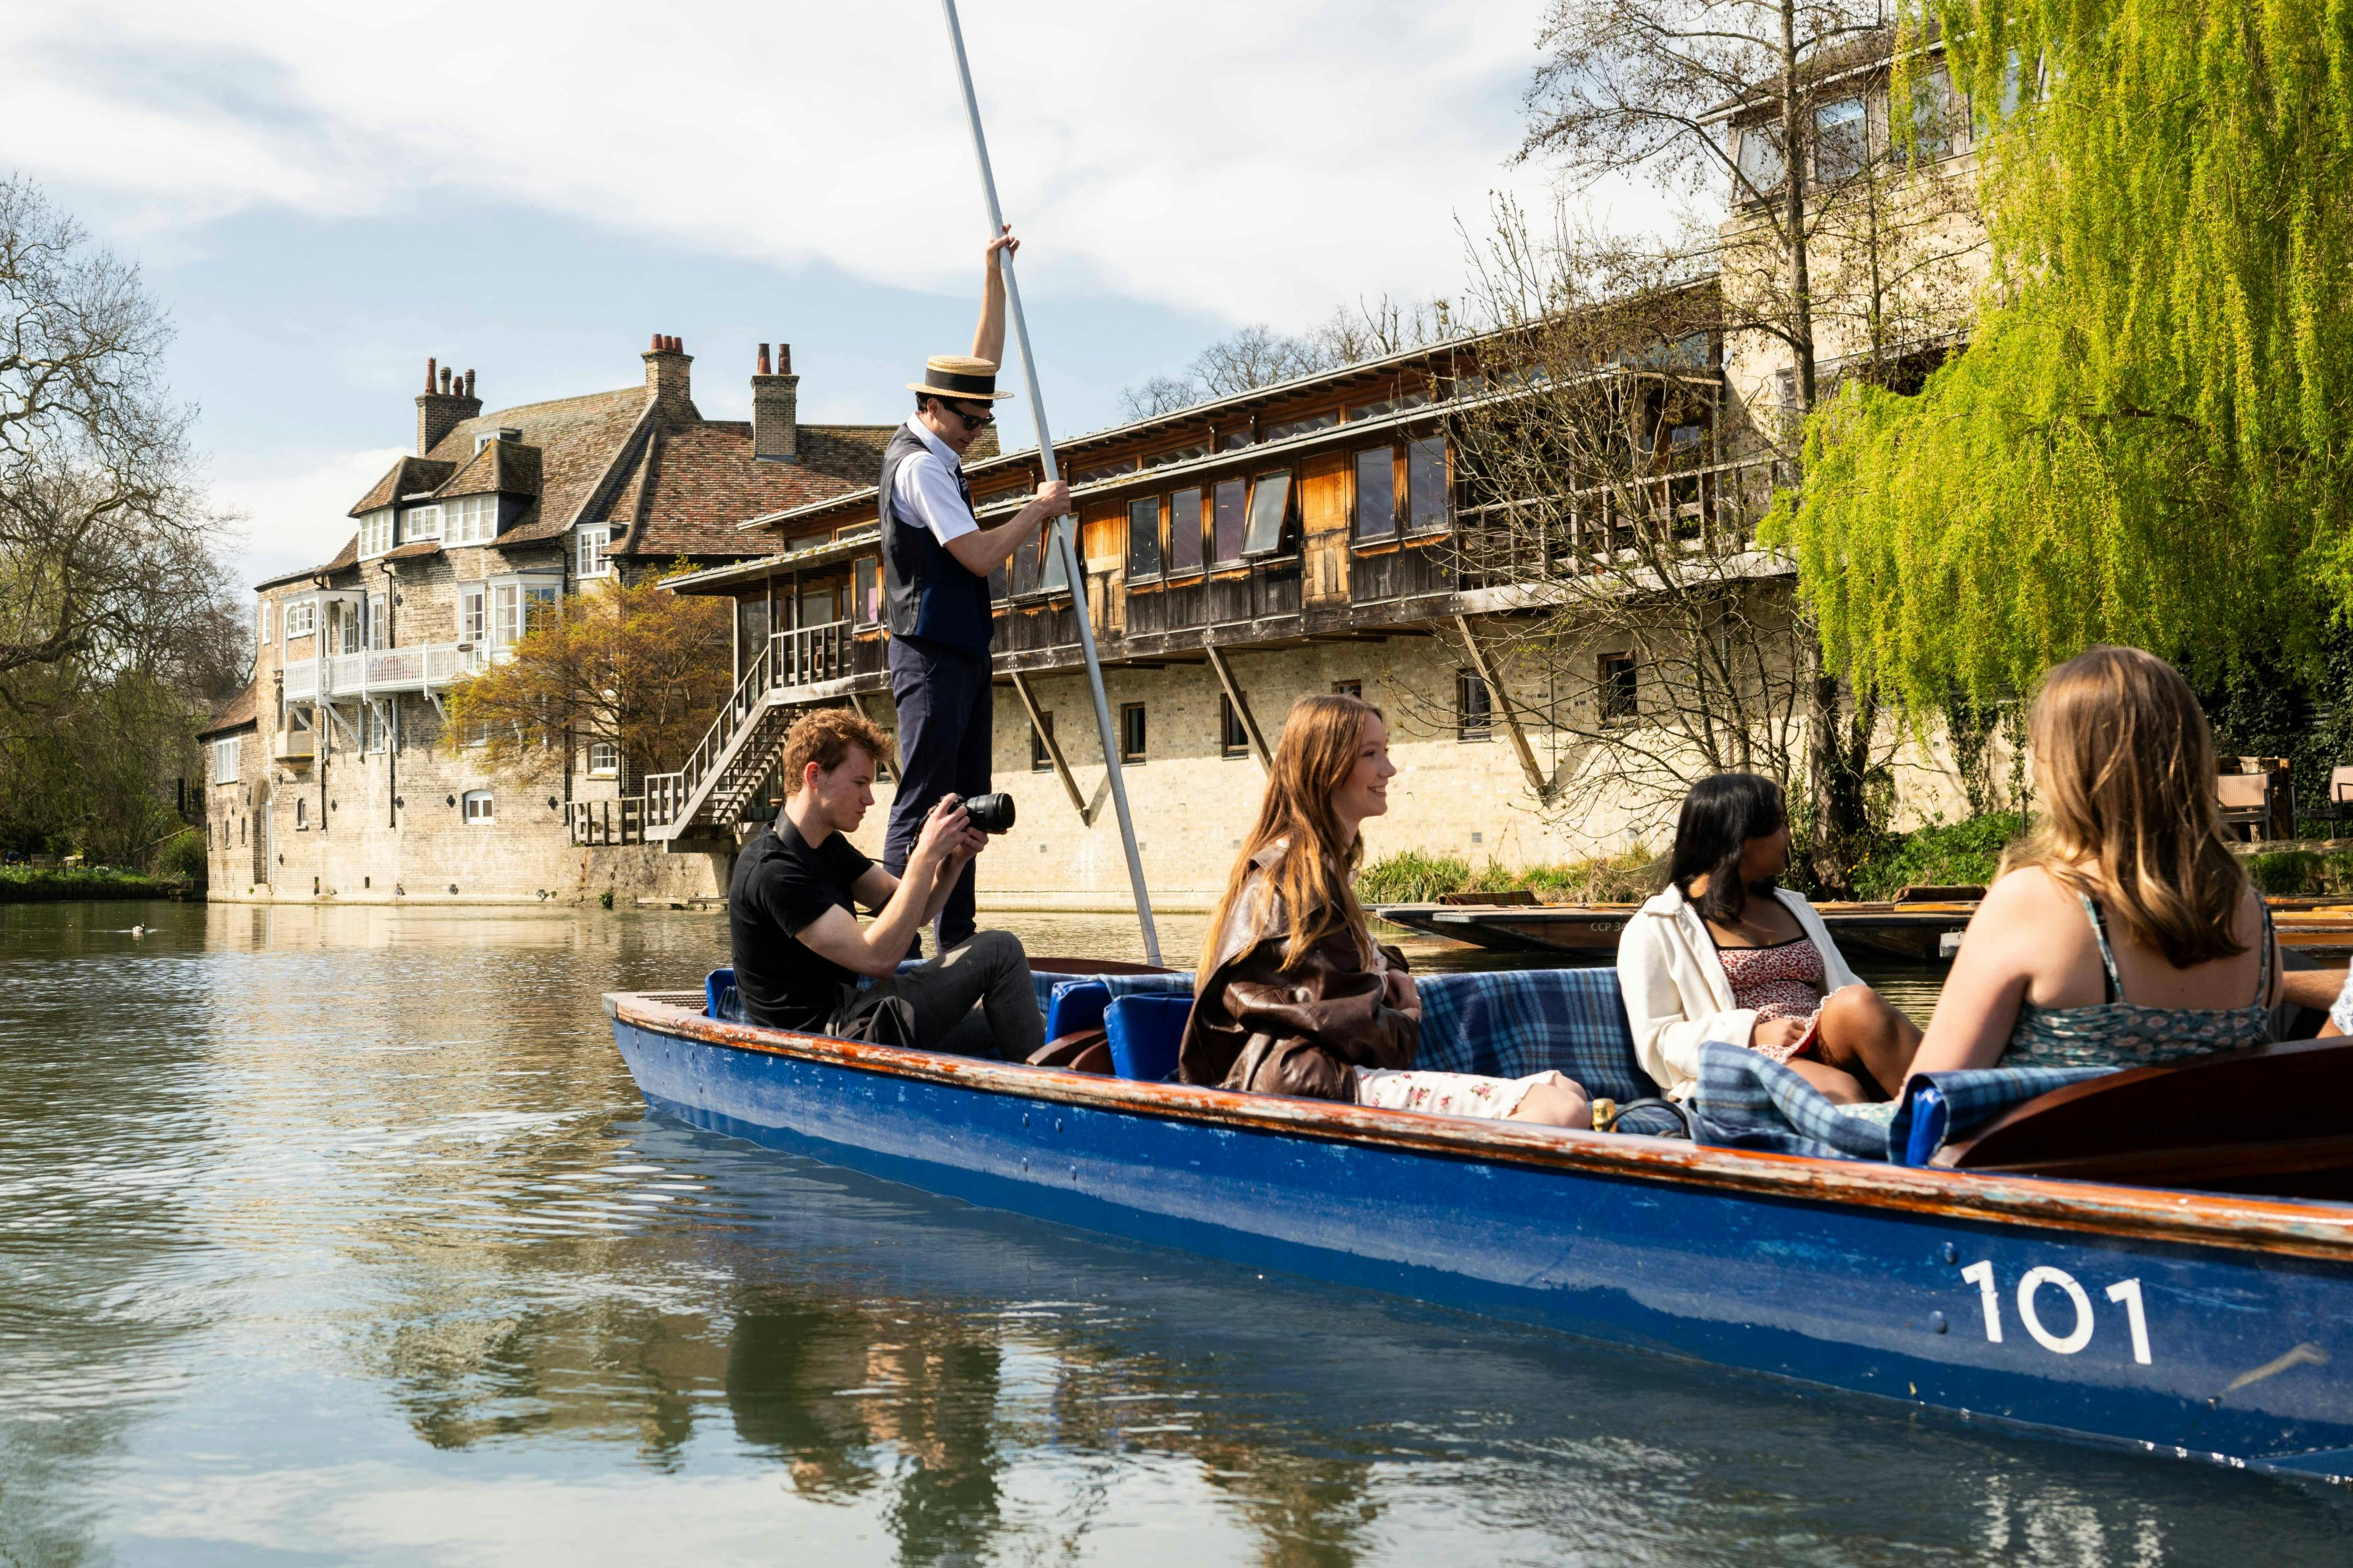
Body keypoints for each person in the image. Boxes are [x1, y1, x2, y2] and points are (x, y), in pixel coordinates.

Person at [1179, 693, 1592, 1126]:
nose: (1389, 770)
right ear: (1325, 769)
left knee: (1567, 1089)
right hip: (1312, 1084)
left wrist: (1389, 969)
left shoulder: (1313, 871)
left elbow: (1325, 981)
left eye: (1386, 752)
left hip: (1320, 1076)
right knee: (1560, 1109)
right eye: (1370, 755)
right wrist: (1407, 1018)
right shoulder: (1297, 883)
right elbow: (1348, 1022)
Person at [1907, 646, 2279, 1078]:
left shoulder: (2034, 900)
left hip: (2051, 1147)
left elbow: (1929, 1103)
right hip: (2202, 1145)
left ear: (2065, 765)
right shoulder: (2250, 912)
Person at [880, 225, 1073, 955]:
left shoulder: (941, 434)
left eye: (985, 421)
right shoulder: (920, 469)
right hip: (927, 651)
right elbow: (982, 556)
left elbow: (982, 359)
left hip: (962, 648)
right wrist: (1039, 507)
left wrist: (991, 275)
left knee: (968, 802)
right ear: (932, 409)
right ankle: (893, 945)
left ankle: (954, 945)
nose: (977, 433)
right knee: (927, 796)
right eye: (969, 422)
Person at [727, 708, 1044, 1060]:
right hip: (824, 1044)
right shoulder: (772, 870)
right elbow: (877, 959)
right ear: (814, 776)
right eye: (860, 783)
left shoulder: (827, 846)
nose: (870, 798)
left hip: (858, 1016)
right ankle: (1054, 1100)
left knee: (1010, 1017)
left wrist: (953, 861)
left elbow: (914, 910)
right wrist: (924, 855)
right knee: (999, 951)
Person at [1619, 773, 1923, 1104]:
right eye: (1778, 826)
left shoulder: (1794, 906)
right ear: (1739, 838)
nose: (1789, 837)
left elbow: (1847, 987)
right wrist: (1749, 1033)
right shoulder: (1657, 926)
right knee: (1838, 1090)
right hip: (1745, 1061)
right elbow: (1656, 1042)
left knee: (1859, 1003)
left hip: (1822, 1039)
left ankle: (1958, 1119)